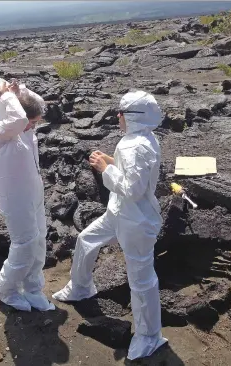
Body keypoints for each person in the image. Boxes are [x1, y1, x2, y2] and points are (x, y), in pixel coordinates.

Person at [52, 90, 167, 360]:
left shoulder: (135, 145)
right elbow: (136, 173)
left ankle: (149, 337)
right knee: (87, 239)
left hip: (136, 219)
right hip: (119, 212)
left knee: (141, 279)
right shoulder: (141, 138)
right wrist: (112, 162)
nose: (118, 116)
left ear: (133, 117)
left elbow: (134, 189)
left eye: (122, 112)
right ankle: (80, 287)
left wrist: (106, 169)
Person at [0, 76, 55, 312]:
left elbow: (34, 106)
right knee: (24, 242)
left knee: (39, 238)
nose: (31, 126)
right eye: (31, 123)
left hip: (32, 191)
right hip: (14, 196)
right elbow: (20, 118)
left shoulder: (20, 124)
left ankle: (32, 287)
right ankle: (7, 290)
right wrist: (7, 96)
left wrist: (18, 91)